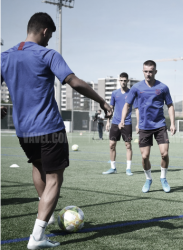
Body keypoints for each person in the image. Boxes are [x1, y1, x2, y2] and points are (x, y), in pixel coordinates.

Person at [0, 13, 112, 249]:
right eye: (50, 35)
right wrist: (101, 101)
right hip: (49, 127)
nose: (50, 40)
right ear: (43, 31)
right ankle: (37, 237)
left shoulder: (5, 56)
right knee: (54, 179)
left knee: (38, 166)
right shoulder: (47, 54)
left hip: (23, 131)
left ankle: (47, 213)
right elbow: (74, 81)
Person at [119, 60, 176, 193]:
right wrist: (122, 120)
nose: (148, 74)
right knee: (145, 157)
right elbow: (127, 105)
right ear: (143, 71)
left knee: (164, 153)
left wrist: (172, 123)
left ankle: (163, 178)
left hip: (160, 125)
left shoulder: (163, 87)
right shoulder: (136, 88)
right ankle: (148, 179)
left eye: (151, 71)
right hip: (144, 127)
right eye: (146, 71)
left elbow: (170, 105)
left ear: (155, 72)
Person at [103, 72, 138, 175]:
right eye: (121, 80)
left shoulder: (132, 93)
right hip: (115, 122)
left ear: (127, 81)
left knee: (128, 145)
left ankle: (128, 168)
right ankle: (113, 168)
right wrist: (108, 121)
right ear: (119, 81)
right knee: (112, 145)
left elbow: (136, 108)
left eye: (125, 80)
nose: (123, 82)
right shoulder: (114, 93)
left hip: (127, 123)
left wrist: (137, 124)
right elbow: (111, 109)